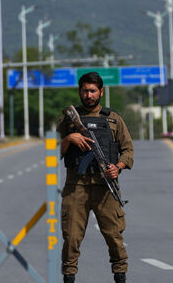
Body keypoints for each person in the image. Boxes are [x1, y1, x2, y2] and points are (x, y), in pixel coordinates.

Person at [57, 72, 134, 283]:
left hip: (105, 186)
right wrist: (69, 139)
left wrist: (117, 167)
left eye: (92, 91)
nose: (88, 95)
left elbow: (128, 151)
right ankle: (69, 277)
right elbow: (53, 152)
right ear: (79, 92)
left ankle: (120, 277)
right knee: (71, 238)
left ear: (101, 92)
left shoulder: (114, 120)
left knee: (115, 237)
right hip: (76, 186)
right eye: (85, 91)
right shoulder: (68, 120)